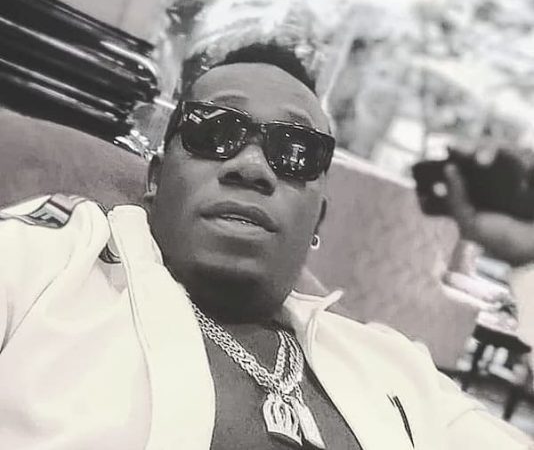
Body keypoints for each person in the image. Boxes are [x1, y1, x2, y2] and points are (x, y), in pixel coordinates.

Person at [0, 43, 532, 450]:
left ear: (318, 216)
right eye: (215, 131)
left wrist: (528, 257)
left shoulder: (395, 369)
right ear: (156, 178)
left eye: (295, 150)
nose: (252, 167)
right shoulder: (44, 267)